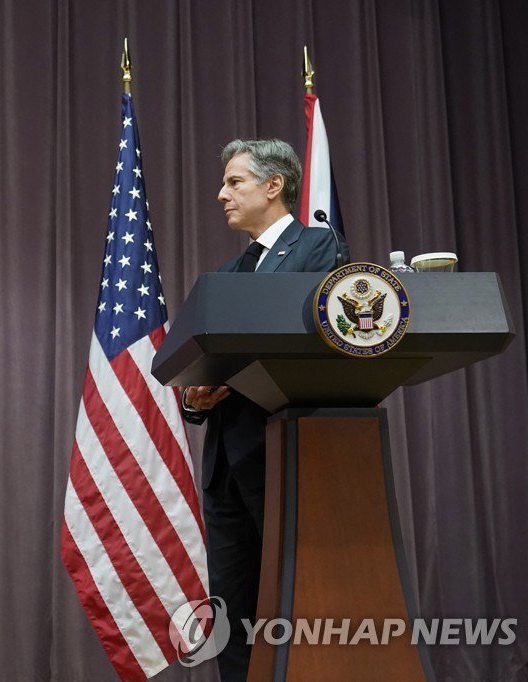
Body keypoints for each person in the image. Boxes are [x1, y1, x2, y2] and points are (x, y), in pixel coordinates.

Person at [182, 138, 347, 681]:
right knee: (232, 611)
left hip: (282, 452)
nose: (221, 194)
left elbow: (310, 337)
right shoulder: (227, 275)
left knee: (294, 602)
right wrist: (196, 396)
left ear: (274, 186)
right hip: (225, 465)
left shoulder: (316, 247)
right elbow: (210, 358)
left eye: (235, 182)